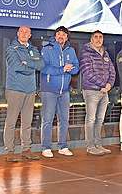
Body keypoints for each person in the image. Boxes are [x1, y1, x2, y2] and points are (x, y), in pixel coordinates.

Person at [3, 25, 44, 162]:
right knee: (11, 121)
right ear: (17, 33)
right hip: (15, 89)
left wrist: (28, 63)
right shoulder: (11, 49)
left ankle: (26, 148)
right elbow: (16, 67)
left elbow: (41, 65)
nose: (24, 33)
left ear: (30, 35)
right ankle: (9, 150)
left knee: (27, 121)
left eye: (27, 32)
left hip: (30, 89)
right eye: (22, 31)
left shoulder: (34, 49)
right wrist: (31, 65)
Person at [39, 26, 79, 158]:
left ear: (67, 37)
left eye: (63, 34)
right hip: (49, 90)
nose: (61, 36)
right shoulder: (47, 49)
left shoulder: (71, 50)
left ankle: (63, 146)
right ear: (55, 36)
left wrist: (71, 69)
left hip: (65, 91)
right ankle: (46, 147)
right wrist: (62, 69)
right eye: (58, 34)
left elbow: (76, 68)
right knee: (47, 120)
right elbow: (44, 68)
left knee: (64, 120)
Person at [79, 30, 115, 156]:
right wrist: (103, 84)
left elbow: (112, 70)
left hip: (104, 92)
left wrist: (109, 84)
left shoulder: (105, 53)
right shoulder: (86, 53)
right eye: (96, 37)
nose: (98, 39)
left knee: (100, 119)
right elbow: (87, 72)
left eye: (101, 37)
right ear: (91, 39)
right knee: (91, 119)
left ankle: (98, 144)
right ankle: (90, 146)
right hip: (91, 91)